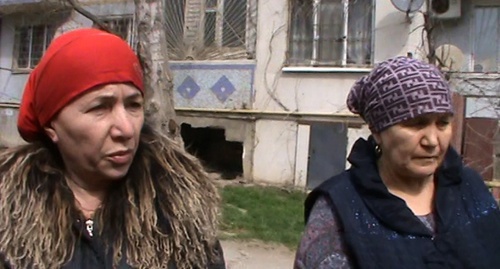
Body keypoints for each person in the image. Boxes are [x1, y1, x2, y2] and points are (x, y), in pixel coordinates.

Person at [0, 28, 225, 269]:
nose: (126, 129)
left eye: (133, 105)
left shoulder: (180, 212)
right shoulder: (9, 217)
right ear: (51, 126)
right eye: (100, 107)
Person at [294, 56, 500, 269]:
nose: (432, 141)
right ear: (377, 131)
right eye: (415, 124)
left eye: (443, 123)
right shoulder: (340, 208)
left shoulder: (471, 189)